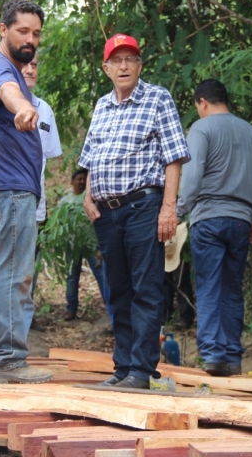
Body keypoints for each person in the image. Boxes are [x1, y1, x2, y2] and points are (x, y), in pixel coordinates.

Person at [79, 33, 190, 389]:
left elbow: (174, 156)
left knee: (146, 287)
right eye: (117, 60)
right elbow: (91, 156)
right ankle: (123, 367)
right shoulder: (102, 106)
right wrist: (88, 195)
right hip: (107, 212)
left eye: (131, 59)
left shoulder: (157, 98)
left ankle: (142, 370)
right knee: (118, 289)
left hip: (144, 205)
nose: (124, 66)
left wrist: (168, 208)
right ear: (106, 68)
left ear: (140, 65)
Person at [0, 0, 53, 384]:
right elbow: (6, 92)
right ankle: (6, 360)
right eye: (22, 31)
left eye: (36, 33)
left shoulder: (13, 70)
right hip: (10, 187)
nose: (30, 39)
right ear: (3, 30)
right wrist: (22, 107)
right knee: (12, 274)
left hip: (4, 186)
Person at [176, 78, 252, 377]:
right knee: (232, 288)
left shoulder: (201, 129)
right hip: (241, 222)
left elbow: (192, 177)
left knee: (209, 285)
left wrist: (178, 212)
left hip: (208, 218)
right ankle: (233, 356)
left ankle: (213, 355)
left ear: (202, 103)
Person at [22, 52, 62, 319]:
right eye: (25, 64)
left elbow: (47, 158)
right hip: (1, 202)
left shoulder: (44, 110)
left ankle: (17, 345)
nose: (30, 69)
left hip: (33, 206)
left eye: (34, 64)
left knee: (25, 277)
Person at [58, 168, 113, 323]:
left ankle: (110, 311)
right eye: (78, 179)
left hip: (91, 245)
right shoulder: (65, 201)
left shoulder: (91, 199)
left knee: (102, 277)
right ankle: (71, 309)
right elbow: (59, 223)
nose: (81, 182)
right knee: (71, 276)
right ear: (72, 181)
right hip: (71, 245)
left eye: (84, 179)